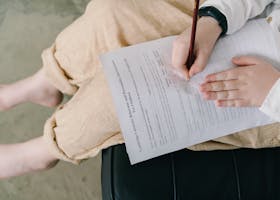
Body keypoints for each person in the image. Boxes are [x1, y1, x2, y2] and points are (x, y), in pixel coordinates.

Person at [0, 0, 280, 180]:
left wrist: (272, 90)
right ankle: (45, 82)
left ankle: (39, 153)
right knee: (113, 13)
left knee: (122, 95)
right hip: (263, 16)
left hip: (269, 91)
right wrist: (214, 18)